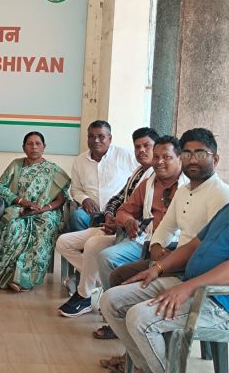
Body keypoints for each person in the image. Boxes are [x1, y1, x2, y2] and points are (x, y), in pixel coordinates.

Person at [58, 135, 186, 318]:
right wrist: (126, 221)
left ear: (180, 158)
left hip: (171, 245)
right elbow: (123, 208)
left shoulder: (188, 187)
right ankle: (107, 305)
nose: (159, 161)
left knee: (104, 254)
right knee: (90, 247)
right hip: (139, 237)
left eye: (166, 157)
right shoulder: (146, 182)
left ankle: (108, 305)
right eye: (156, 156)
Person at [100, 201, 229, 373]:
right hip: (188, 282)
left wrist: (189, 287)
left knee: (139, 319)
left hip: (218, 300)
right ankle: (146, 367)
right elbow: (193, 245)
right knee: (110, 300)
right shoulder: (226, 209)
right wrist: (158, 268)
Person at [105, 128, 229, 287]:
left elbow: (207, 248)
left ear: (216, 160)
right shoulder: (183, 191)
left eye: (200, 155)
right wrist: (156, 247)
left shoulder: (221, 194)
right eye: (187, 154)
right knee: (119, 275)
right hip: (173, 257)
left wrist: (166, 264)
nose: (192, 160)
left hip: (193, 269)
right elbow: (166, 227)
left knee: (118, 293)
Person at [0, 132, 70, 292]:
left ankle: (24, 280)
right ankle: (4, 277)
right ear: (23, 147)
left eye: (38, 144)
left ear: (44, 147)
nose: (34, 147)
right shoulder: (16, 165)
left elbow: (60, 199)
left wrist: (41, 209)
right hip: (20, 209)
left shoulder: (52, 170)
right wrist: (22, 202)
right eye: (30, 144)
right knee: (13, 227)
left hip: (46, 212)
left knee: (43, 229)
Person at [69, 120, 138, 232]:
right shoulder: (79, 161)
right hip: (91, 212)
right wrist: (84, 199)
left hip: (117, 210)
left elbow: (142, 175)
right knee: (77, 217)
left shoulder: (126, 155)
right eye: (91, 136)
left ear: (110, 138)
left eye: (101, 136)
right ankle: (83, 242)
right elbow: (75, 189)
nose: (96, 140)